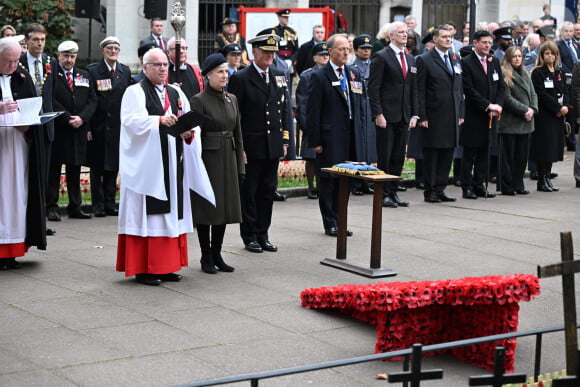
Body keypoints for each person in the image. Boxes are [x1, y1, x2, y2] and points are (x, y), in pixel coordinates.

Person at [116, 48, 212, 286]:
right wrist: (157, 121)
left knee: (171, 213)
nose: (162, 69)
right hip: (148, 167)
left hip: (172, 162)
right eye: (157, 65)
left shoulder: (177, 92)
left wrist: (189, 133)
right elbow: (129, 122)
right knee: (149, 215)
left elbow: (189, 119)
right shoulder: (134, 92)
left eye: (165, 65)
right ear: (145, 67)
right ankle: (145, 268)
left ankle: (167, 266)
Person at [227, 33, 290, 253]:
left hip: (272, 144)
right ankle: (250, 235)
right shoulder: (241, 78)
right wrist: (239, 146)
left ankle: (263, 234)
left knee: (267, 191)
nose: (270, 56)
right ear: (254, 52)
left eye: (273, 52)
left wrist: (285, 139)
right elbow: (235, 116)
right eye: (265, 52)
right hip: (252, 146)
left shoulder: (280, 75)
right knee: (250, 193)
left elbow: (285, 110)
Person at [189, 53, 244, 274]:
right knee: (207, 208)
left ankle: (218, 253)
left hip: (228, 157)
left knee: (224, 208)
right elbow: (194, 136)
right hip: (209, 159)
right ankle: (206, 255)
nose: (224, 75)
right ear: (208, 75)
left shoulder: (232, 99)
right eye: (219, 72)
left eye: (225, 71)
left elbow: (238, 134)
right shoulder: (198, 100)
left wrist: (240, 165)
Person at [306, 34, 364, 236]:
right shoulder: (320, 76)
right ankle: (329, 221)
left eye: (348, 48)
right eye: (341, 49)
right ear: (330, 52)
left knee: (345, 180)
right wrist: (315, 140)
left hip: (350, 137)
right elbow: (313, 111)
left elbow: (358, 107)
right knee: (329, 180)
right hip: (330, 138)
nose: (346, 52)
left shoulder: (353, 74)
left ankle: (341, 220)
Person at [0, 37, 47, 270]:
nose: (12, 66)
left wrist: (28, 124)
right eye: (8, 61)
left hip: (18, 146)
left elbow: (32, 106)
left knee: (18, 194)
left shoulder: (21, 75)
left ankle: (13, 250)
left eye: (16, 61)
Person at [368, 21, 418, 208]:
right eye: (400, 32)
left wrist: (415, 113)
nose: (405, 35)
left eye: (406, 32)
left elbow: (413, 89)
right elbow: (373, 88)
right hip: (387, 116)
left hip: (404, 115)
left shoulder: (410, 58)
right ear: (391, 36)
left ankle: (394, 191)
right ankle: (383, 194)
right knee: (385, 156)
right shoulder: (381, 57)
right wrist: (378, 113)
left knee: (398, 156)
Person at [47, 41, 97, 220]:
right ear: (59, 56)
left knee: (75, 169)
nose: (69, 60)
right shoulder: (52, 75)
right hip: (60, 129)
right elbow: (51, 100)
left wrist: (82, 118)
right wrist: (67, 117)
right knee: (54, 170)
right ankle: (51, 206)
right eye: (66, 56)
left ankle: (75, 206)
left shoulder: (84, 75)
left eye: (72, 56)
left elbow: (92, 100)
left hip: (78, 130)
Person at [416, 25, 465, 203]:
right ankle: (430, 190)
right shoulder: (425, 59)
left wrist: (461, 111)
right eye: (444, 37)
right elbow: (419, 90)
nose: (448, 39)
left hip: (451, 114)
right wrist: (422, 116)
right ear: (435, 39)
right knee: (432, 155)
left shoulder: (455, 58)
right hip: (433, 115)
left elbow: (459, 88)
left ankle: (441, 188)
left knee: (447, 154)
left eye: (450, 37)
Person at [87, 36, 132, 217]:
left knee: (113, 166)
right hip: (98, 125)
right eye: (109, 48)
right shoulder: (93, 71)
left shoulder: (125, 71)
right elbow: (89, 100)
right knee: (97, 167)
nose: (113, 51)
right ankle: (97, 204)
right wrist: (88, 128)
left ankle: (110, 202)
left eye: (116, 48)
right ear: (102, 50)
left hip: (117, 126)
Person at [19, 23, 56, 236]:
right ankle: (23, 220)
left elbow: (53, 94)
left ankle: (40, 223)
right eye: (35, 40)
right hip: (26, 126)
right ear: (27, 41)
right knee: (25, 175)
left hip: (46, 126)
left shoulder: (50, 62)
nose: (40, 44)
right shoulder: (19, 63)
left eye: (42, 40)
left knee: (43, 175)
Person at [459, 30, 505, 200]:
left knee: (485, 152)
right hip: (474, 115)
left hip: (491, 116)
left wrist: (498, 106)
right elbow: (469, 90)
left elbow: (501, 86)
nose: (487, 46)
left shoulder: (494, 62)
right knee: (470, 153)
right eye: (484, 42)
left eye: (489, 43)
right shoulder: (466, 63)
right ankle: (467, 186)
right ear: (475, 43)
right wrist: (487, 105)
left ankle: (479, 184)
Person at [498, 46, 538, 195]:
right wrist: (524, 110)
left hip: (526, 122)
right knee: (508, 156)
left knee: (522, 156)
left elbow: (533, 94)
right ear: (508, 58)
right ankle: (506, 185)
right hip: (511, 122)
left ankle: (518, 183)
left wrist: (533, 109)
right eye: (514, 56)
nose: (517, 59)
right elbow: (507, 99)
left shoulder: (526, 73)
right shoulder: (504, 74)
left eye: (519, 56)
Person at [530, 41, 567, 192]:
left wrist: (565, 108)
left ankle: (547, 177)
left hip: (558, 116)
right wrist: (557, 108)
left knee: (553, 148)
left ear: (556, 55)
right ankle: (541, 179)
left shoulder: (560, 72)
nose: (550, 56)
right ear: (542, 55)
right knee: (544, 148)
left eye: (552, 53)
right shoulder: (538, 72)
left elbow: (565, 91)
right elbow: (542, 95)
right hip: (545, 116)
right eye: (547, 53)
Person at [295, 42, 329, 200]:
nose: (324, 57)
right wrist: (306, 126)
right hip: (311, 122)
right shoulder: (307, 75)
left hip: (328, 123)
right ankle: (311, 186)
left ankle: (324, 186)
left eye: (326, 54)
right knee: (311, 158)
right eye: (321, 55)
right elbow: (302, 103)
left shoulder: (333, 73)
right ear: (314, 57)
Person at [350, 34, 377, 196]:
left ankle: (367, 180)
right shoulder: (352, 68)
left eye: (368, 49)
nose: (366, 51)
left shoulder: (374, 65)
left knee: (371, 148)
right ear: (356, 50)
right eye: (363, 48)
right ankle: (356, 182)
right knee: (359, 147)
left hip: (371, 109)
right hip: (360, 109)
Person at [272, 9, 299, 73]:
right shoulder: (274, 31)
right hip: (278, 61)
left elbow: (296, 49)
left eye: (287, 17)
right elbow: (272, 48)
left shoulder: (292, 32)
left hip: (290, 62)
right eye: (284, 17)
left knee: (289, 81)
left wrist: (291, 60)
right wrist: (280, 60)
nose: (287, 19)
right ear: (279, 17)